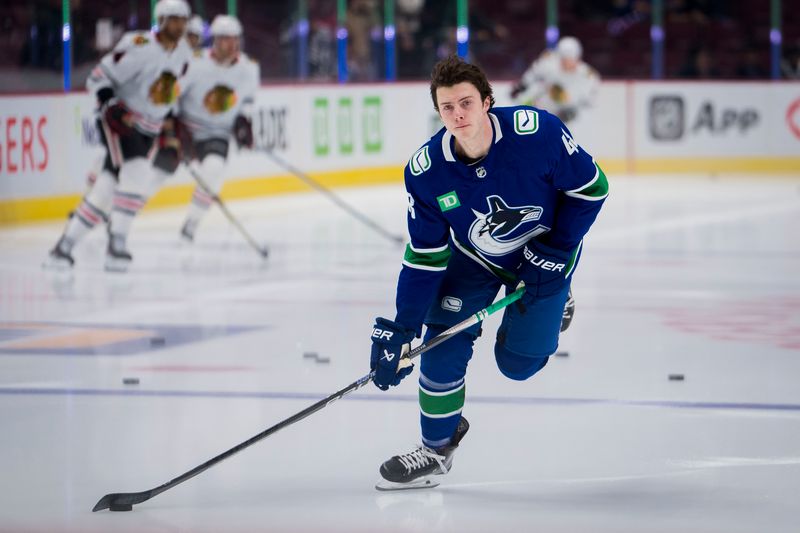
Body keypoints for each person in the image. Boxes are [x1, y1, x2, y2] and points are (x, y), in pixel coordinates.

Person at [369, 55, 608, 490]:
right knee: (440, 340)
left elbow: (592, 190)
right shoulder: (426, 173)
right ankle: (436, 449)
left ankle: (557, 298)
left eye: (466, 103)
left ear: (487, 102)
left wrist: (555, 251)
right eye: (447, 108)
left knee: (517, 366)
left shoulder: (539, 134)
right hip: (473, 257)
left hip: (545, 253)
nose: (458, 115)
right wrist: (402, 328)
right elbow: (424, 256)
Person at [45, 0, 192, 271]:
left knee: (106, 188)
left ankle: (63, 247)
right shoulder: (139, 46)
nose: (180, 25)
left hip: (149, 129)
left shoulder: (184, 53)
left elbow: (169, 95)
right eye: (174, 19)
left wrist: (170, 130)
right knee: (137, 173)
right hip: (121, 123)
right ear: (161, 20)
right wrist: (109, 103)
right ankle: (118, 242)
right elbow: (98, 77)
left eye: (183, 19)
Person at [147, 14, 259, 243]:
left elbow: (247, 102)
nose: (232, 44)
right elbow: (173, 94)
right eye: (226, 39)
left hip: (216, 132)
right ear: (215, 41)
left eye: (235, 39)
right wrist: (171, 123)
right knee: (157, 173)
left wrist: (243, 123)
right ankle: (121, 214)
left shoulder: (248, 68)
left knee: (214, 169)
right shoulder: (195, 63)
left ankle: (192, 223)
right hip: (185, 129)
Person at [510, 36, 600, 124]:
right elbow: (534, 72)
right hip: (542, 109)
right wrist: (522, 85)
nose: (565, 63)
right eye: (563, 59)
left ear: (577, 57)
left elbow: (589, 101)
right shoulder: (550, 64)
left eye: (569, 59)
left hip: (566, 118)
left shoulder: (587, 76)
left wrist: (573, 111)